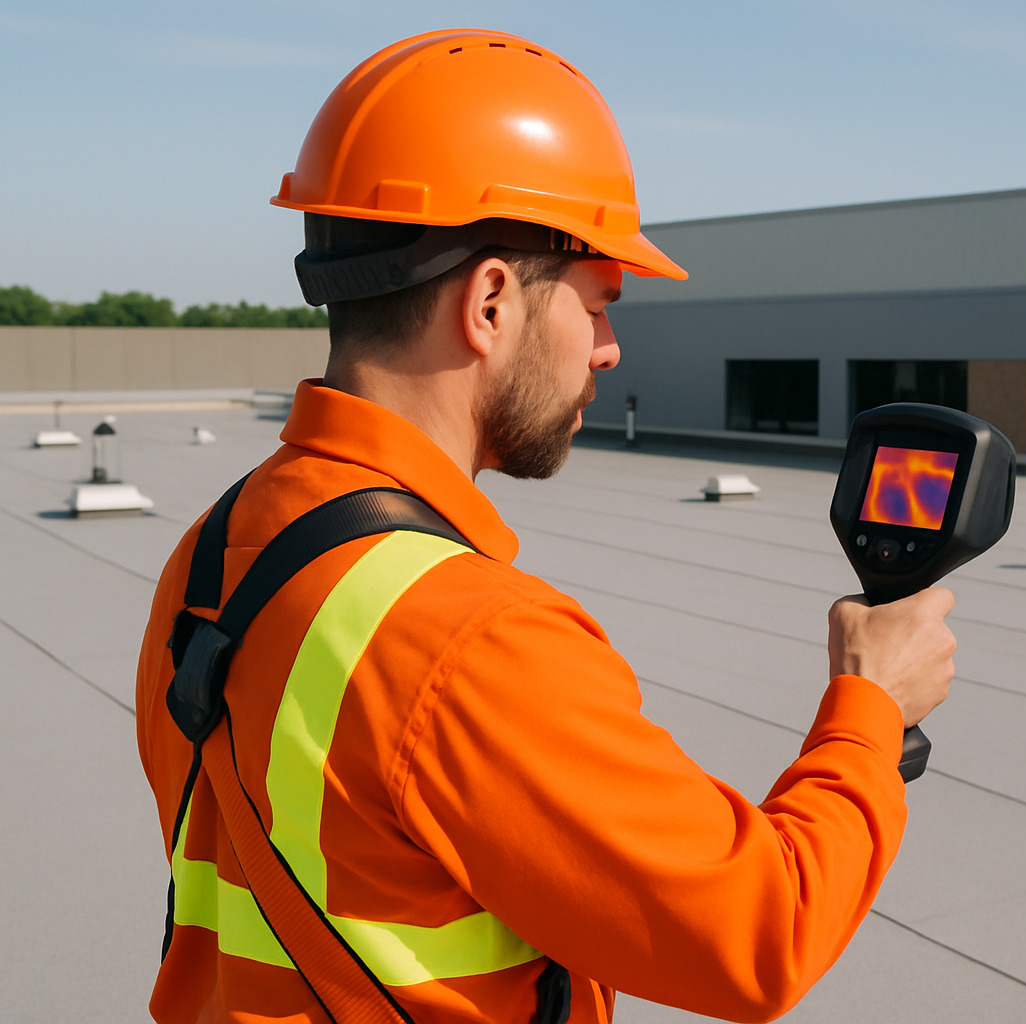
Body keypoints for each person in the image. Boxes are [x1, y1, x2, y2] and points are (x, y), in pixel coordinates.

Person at [136, 28, 955, 1024]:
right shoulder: (468, 636)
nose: (610, 350)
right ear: (489, 301)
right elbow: (760, 932)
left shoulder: (214, 550)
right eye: (599, 304)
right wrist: (871, 710)